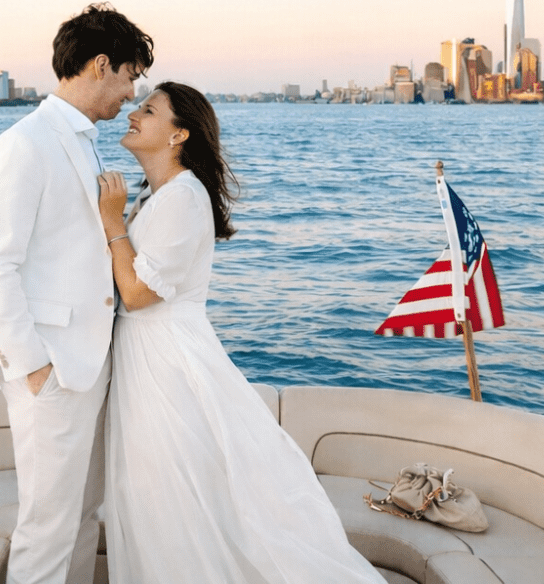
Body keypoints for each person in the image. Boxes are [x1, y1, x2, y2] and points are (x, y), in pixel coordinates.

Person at [96, 82, 385, 583]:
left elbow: (140, 294)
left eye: (148, 109)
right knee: (154, 494)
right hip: (146, 359)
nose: (132, 114)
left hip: (168, 362)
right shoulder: (158, 195)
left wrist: (111, 222)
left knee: (175, 493)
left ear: (178, 134)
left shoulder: (184, 197)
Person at [0, 4, 154, 584]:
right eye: (129, 76)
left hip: (89, 361)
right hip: (50, 369)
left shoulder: (83, 140)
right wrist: (32, 367)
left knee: (81, 518)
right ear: (102, 65)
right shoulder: (25, 144)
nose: (130, 93)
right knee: (47, 526)